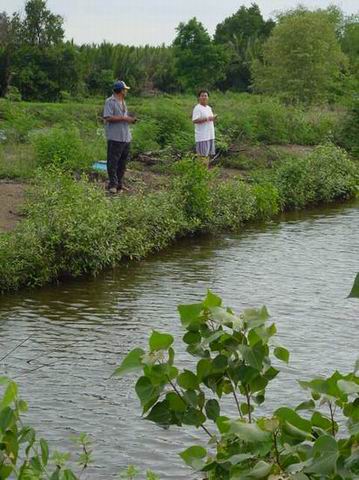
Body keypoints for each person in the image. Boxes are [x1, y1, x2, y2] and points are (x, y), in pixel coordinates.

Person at [103, 80, 136, 194]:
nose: (126, 91)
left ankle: (119, 184)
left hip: (126, 137)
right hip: (115, 137)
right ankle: (112, 184)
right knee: (113, 162)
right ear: (121, 90)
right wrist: (124, 118)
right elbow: (107, 117)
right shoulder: (110, 101)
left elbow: (124, 117)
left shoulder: (123, 101)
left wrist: (130, 120)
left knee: (123, 162)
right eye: (125, 89)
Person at [192, 90, 217, 164]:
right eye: (202, 96)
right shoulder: (197, 108)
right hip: (202, 136)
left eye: (205, 96)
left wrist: (213, 118)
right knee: (202, 156)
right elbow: (194, 120)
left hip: (210, 135)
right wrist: (207, 118)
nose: (204, 97)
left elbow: (210, 119)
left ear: (208, 97)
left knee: (208, 155)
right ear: (199, 98)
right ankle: (201, 172)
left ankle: (205, 173)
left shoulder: (209, 108)